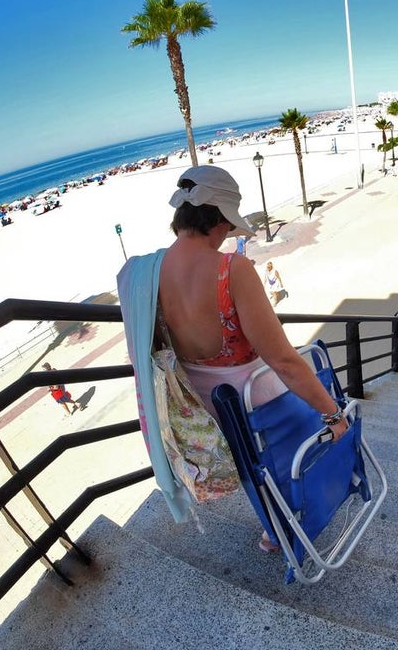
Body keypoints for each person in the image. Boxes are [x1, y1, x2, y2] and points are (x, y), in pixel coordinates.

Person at [117, 164, 347, 552]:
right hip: (260, 404)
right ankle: (299, 524)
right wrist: (332, 414)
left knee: (251, 471)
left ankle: (273, 531)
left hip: (209, 412)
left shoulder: (145, 274)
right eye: (228, 225)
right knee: (295, 460)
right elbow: (284, 361)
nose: (228, 235)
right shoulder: (231, 270)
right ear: (218, 218)